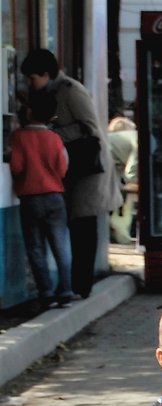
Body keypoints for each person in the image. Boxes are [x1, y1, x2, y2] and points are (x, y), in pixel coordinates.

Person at [20, 49, 121, 299]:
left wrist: (51, 135)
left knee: (83, 228)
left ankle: (80, 285)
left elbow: (90, 128)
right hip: (68, 168)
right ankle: (74, 285)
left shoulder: (70, 90)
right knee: (73, 228)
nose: (30, 84)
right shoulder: (46, 91)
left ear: (46, 74)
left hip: (87, 168)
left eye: (33, 78)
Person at [8, 90, 75, 311]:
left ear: (29, 111)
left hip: (30, 198)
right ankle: (65, 290)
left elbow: (16, 167)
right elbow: (62, 168)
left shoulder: (19, 137)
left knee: (35, 247)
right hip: (55, 196)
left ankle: (46, 293)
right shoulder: (55, 138)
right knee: (60, 245)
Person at [107, 116, 138, 245]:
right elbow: (130, 174)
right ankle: (120, 236)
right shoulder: (140, 138)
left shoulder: (118, 140)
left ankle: (116, 235)